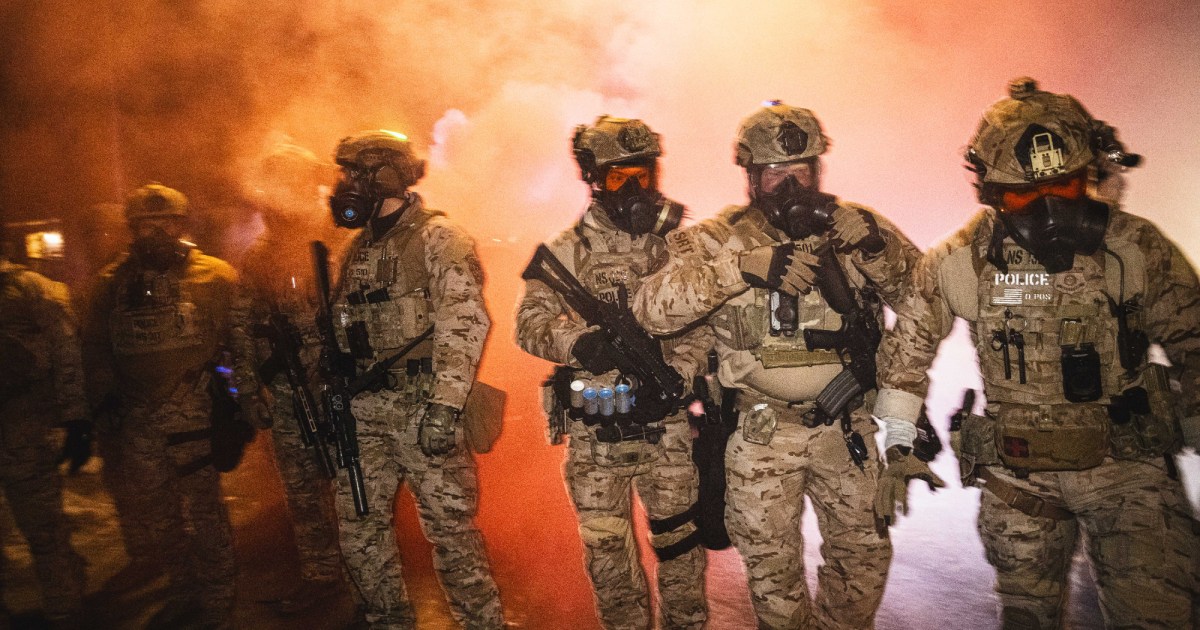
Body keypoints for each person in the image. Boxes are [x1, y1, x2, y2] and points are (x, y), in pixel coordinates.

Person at [873, 77, 1199, 628]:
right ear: (990, 191)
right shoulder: (962, 261)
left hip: (1129, 474)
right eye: (1025, 197)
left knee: (1158, 615)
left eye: (1065, 188)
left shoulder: (1133, 248)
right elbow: (908, 349)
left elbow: (1193, 338)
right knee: (1027, 617)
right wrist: (899, 440)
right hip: (1019, 482)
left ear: (1088, 174)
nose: (1049, 212)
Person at [631, 102, 920, 629]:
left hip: (845, 430)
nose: (789, 187)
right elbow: (652, 308)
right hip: (760, 434)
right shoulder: (717, 239)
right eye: (773, 174)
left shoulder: (851, 227)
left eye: (800, 172)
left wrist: (877, 249)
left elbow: (923, 298)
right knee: (774, 578)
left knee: (864, 563)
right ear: (751, 177)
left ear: (818, 171)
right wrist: (741, 269)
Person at [516, 115, 709, 630]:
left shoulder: (677, 245)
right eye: (619, 177)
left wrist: (679, 375)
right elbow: (528, 323)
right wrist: (577, 343)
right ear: (595, 179)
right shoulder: (566, 250)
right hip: (596, 435)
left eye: (642, 175)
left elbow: (703, 328)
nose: (634, 189)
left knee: (681, 556)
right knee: (610, 565)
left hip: (666, 431)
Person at [323, 130, 505, 629]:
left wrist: (445, 407)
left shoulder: (438, 238)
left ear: (388, 174)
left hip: (422, 404)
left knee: (451, 533)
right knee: (359, 531)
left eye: (356, 172)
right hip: (365, 410)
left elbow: (465, 322)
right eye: (345, 173)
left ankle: (482, 624)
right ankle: (388, 619)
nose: (346, 183)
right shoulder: (356, 249)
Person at [82, 183, 262, 629]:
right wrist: (100, 413)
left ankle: (218, 597)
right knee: (159, 516)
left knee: (205, 512)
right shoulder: (110, 284)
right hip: (138, 420)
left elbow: (241, 344)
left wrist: (245, 402)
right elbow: (96, 351)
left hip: (195, 414)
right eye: (146, 225)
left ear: (182, 225)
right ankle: (183, 591)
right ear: (132, 229)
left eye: (166, 223)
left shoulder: (216, 278)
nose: (157, 232)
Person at [241, 143, 349, 614]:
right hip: (288, 390)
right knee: (303, 490)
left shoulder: (341, 241)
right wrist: (252, 387)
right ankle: (321, 574)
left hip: (341, 387)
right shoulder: (259, 257)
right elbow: (243, 326)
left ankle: (366, 576)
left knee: (350, 483)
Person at [0, 219, 87, 627]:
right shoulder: (35, 290)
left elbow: (67, 353)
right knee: (42, 526)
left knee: (42, 526)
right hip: (25, 426)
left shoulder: (31, 290)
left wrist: (76, 418)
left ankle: (64, 603)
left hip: (24, 428)